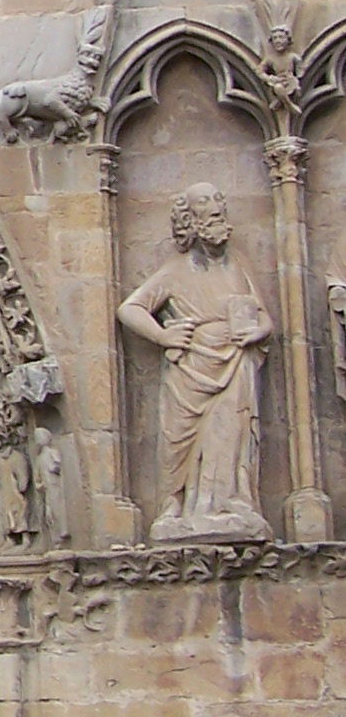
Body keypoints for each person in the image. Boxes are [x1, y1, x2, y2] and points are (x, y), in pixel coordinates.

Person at [118, 182, 273, 539]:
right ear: (190, 220)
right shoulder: (176, 270)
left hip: (235, 363)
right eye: (206, 203)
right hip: (191, 368)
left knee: (231, 437)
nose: (216, 208)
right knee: (180, 441)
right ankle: (177, 506)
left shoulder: (237, 267)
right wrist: (163, 335)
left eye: (220, 202)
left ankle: (230, 502)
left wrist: (257, 332)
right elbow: (130, 307)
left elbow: (264, 317)